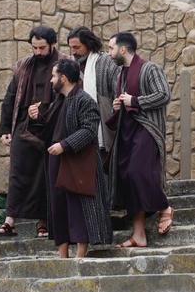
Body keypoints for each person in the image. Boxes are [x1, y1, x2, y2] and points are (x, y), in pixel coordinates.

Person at [29, 59, 113, 258]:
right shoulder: (60, 101)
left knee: (79, 207)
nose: (51, 80)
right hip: (57, 162)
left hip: (78, 163)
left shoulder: (85, 100)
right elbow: (49, 130)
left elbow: (89, 130)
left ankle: (80, 254)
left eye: (54, 76)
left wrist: (64, 145)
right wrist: (37, 119)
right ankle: (63, 254)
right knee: (59, 207)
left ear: (64, 78)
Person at [0, 26, 66, 238]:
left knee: (45, 175)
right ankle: (9, 222)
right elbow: (11, 96)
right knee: (17, 172)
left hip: (53, 127)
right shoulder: (23, 65)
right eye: (35, 47)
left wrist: (45, 112)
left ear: (52, 45)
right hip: (24, 126)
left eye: (42, 48)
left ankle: (44, 222)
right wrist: (5, 128)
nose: (38, 52)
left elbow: (70, 93)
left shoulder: (64, 63)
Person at [107, 32, 174, 247]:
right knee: (127, 177)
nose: (109, 53)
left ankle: (164, 207)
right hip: (126, 132)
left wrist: (134, 100)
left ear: (123, 49)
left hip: (147, 129)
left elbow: (164, 94)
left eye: (111, 48)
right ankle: (139, 235)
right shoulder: (120, 75)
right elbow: (125, 102)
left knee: (137, 172)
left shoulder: (149, 68)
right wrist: (117, 106)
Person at [67, 26, 121, 157]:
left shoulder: (107, 64)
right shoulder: (70, 67)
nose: (73, 51)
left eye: (77, 47)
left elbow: (118, 94)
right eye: (71, 47)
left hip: (105, 131)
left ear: (89, 45)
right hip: (77, 133)